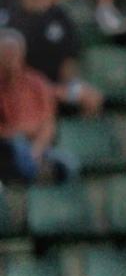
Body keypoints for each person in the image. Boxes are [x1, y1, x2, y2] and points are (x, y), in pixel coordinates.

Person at [8, 0, 102, 117]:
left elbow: (69, 63)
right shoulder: (10, 21)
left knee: (91, 97)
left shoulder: (62, 18)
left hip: (55, 89)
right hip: (22, 90)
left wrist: (71, 88)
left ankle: (81, 137)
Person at [0, 29, 75, 184]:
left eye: (13, 51)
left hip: (36, 146)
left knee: (67, 164)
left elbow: (48, 125)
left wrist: (35, 152)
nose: (10, 56)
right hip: (7, 146)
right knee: (16, 149)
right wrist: (18, 130)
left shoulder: (37, 83)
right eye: (5, 52)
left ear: (22, 53)